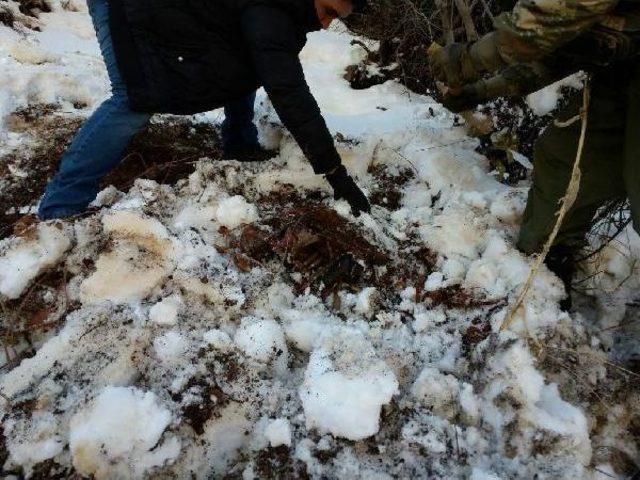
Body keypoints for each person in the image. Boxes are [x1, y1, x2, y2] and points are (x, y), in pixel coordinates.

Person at [38, 0, 371, 220]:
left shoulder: (281, 11)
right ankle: (60, 207)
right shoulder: (271, 12)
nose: (326, 25)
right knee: (136, 98)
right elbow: (289, 93)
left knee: (248, 63)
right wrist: (335, 174)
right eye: (327, 11)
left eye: (334, 19)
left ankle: (239, 142)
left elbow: (257, 61)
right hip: (127, 8)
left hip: (166, 12)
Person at [429, 0, 640, 309]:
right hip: (625, 67)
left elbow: (543, 22)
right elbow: (557, 53)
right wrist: (479, 91)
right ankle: (545, 269)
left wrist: (465, 61)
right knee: (565, 157)